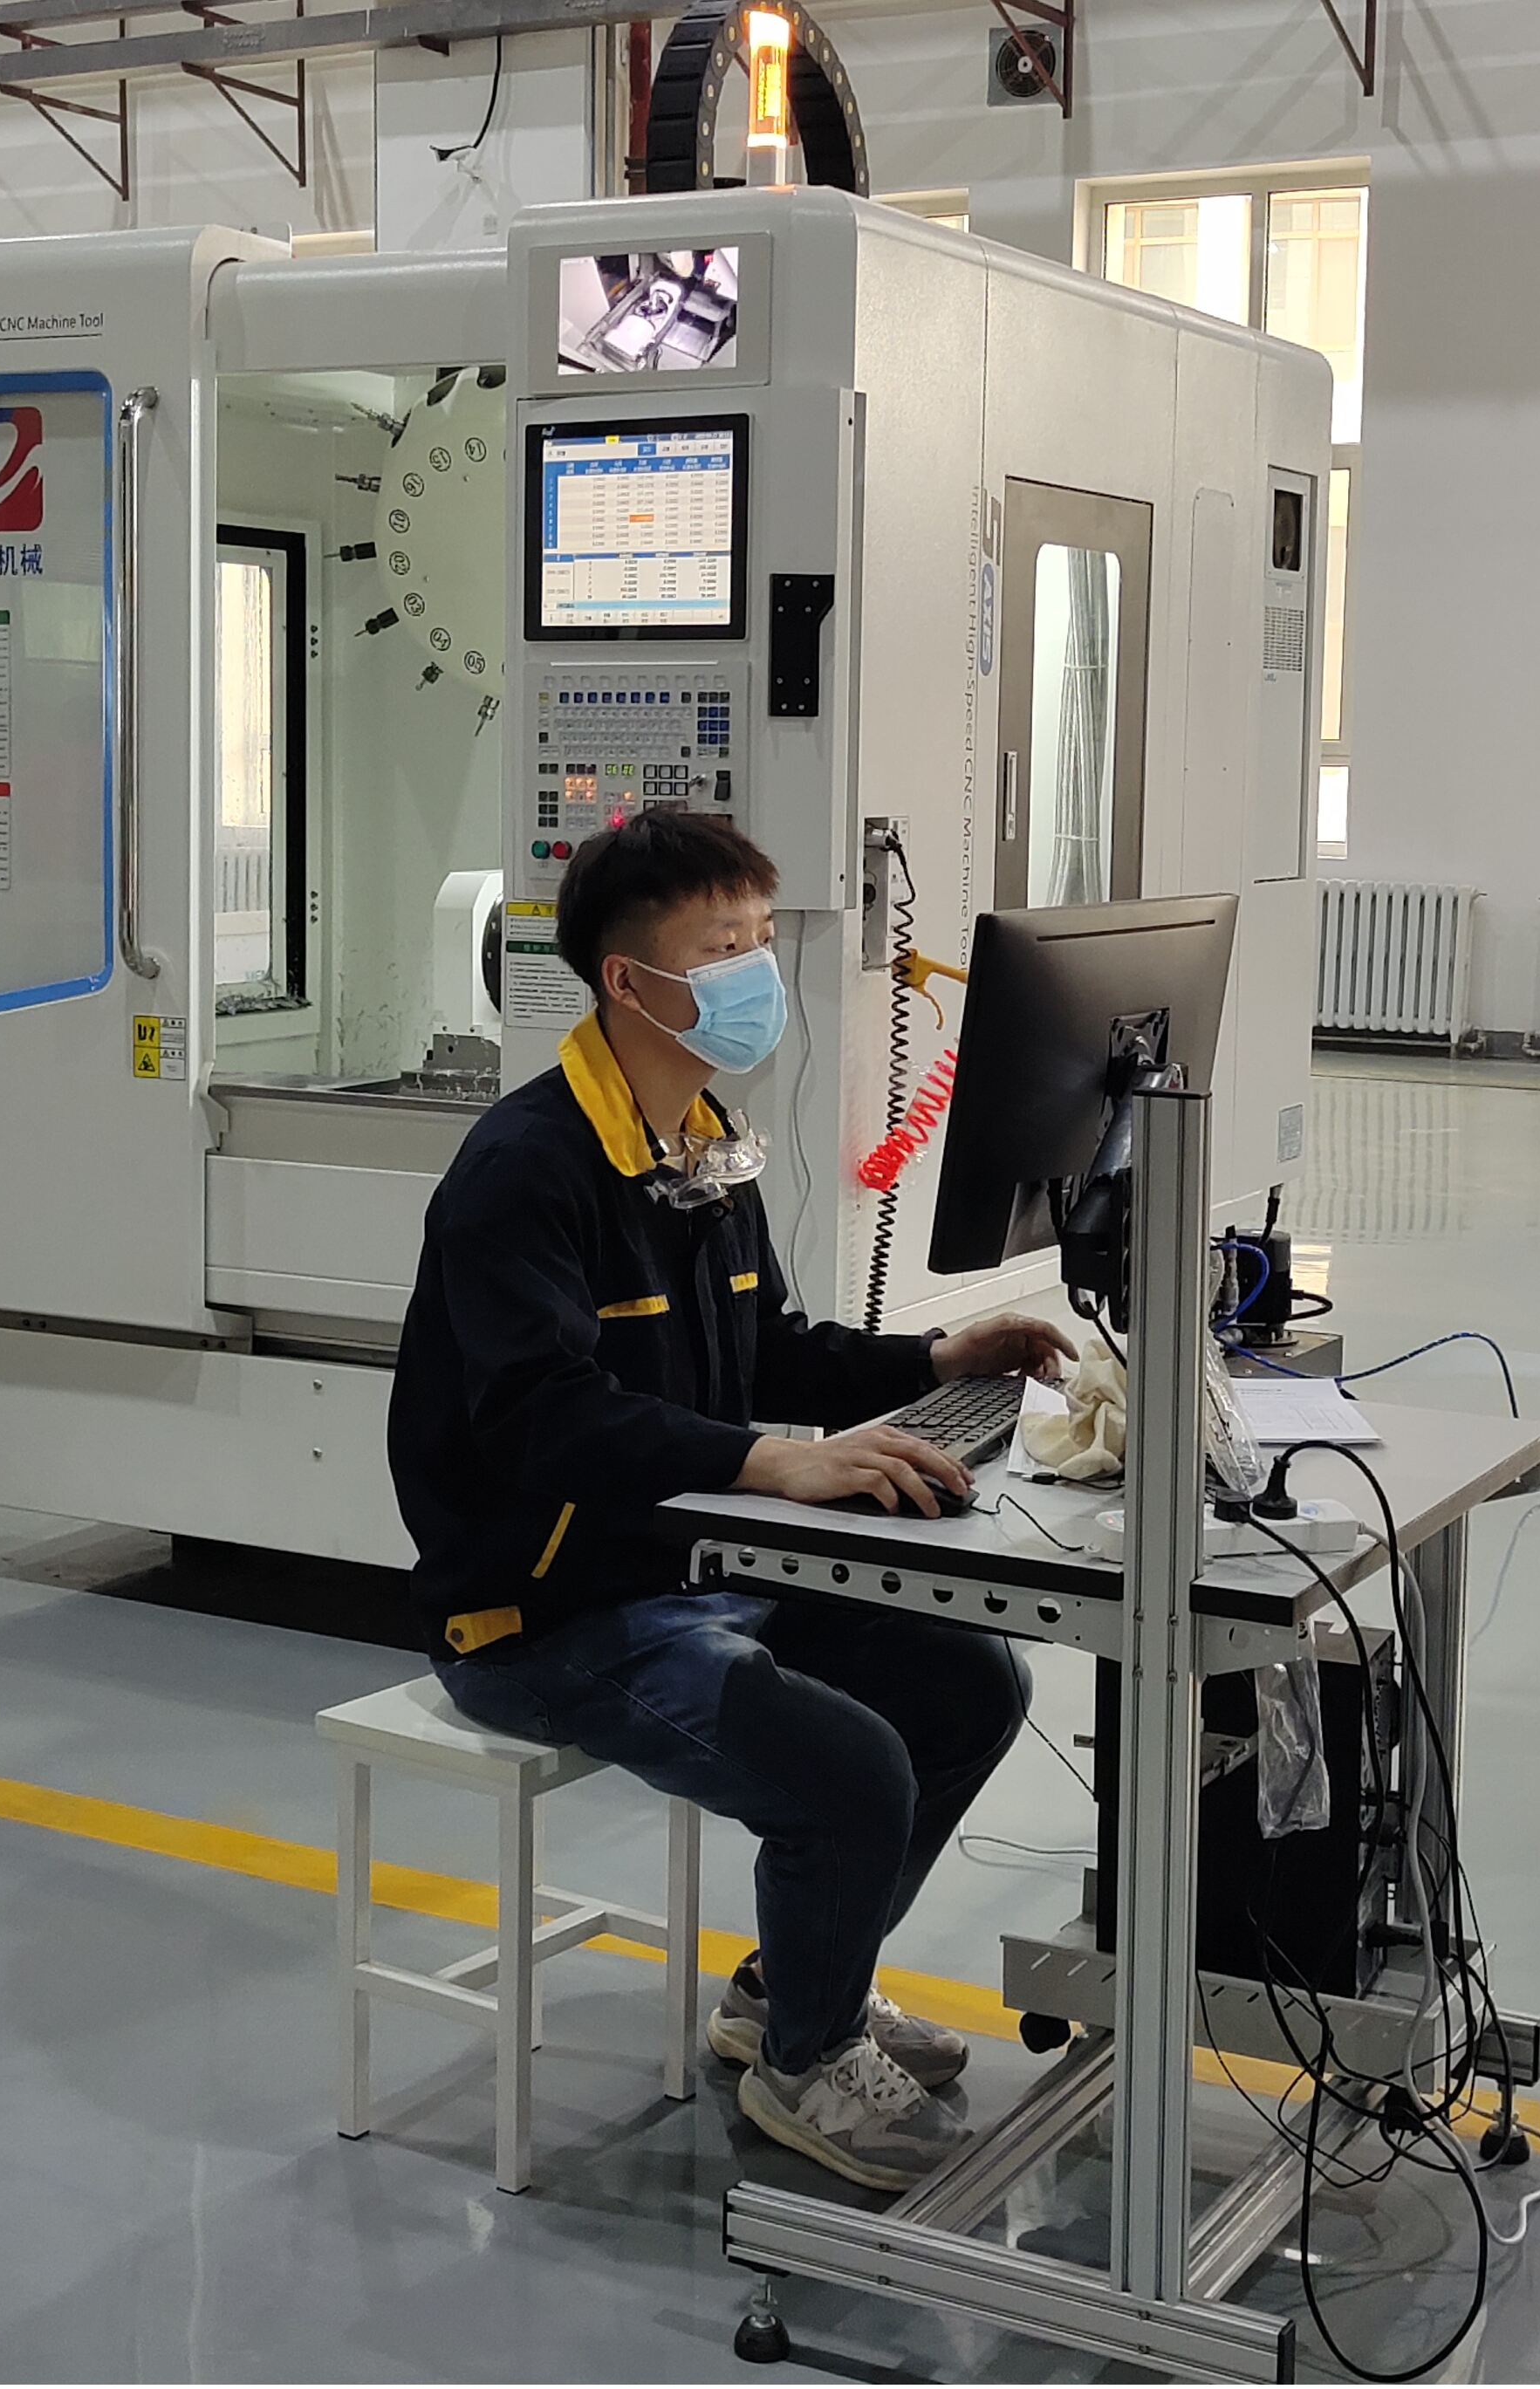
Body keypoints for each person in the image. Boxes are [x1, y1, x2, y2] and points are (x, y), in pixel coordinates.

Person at [387, 809, 1073, 2191]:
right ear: (629, 981)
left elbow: (769, 1350)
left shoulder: (695, 1138)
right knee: (850, 1767)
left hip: (691, 1567)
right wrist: (767, 1462)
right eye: (727, 946)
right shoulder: (527, 1171)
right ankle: (807, 2063)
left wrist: (937, 1359)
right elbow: (541, 1419)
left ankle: (792, 1990)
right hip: (543, 1612)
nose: (762, 969)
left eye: (763, 937)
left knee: (969, 1685)